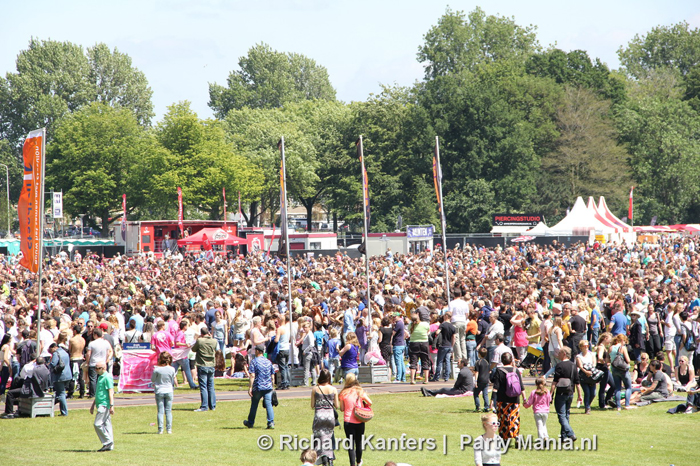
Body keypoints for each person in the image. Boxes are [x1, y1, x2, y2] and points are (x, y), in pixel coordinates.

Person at [2, 355, 51, 419]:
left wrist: (31, 362)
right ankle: (18, 410)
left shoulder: (33, 369)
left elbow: (23, 373)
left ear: (36, 362)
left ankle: (9, 413)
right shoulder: (46, 370)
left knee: (10, 393)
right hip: (41, 389)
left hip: (31, 390)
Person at [338, 373, 372, 466]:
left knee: (350, 445)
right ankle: (359, 461)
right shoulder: (359, 391)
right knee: (359, 443)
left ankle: (352, 464)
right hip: (359, 420)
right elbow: (370, 402)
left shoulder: (343, 393)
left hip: (348, 421)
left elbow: (341, 408)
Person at [491, 352, 523, 439]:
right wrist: (524, 398)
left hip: (502, 399)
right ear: (511, 360)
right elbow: (521, 386)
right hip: (515, 399)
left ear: (502, 360)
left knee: (503, 419)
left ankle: (504, 437)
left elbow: (495, 387)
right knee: (514, 418)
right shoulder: (515, 370)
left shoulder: (499, 370)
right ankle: (516, 435)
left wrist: (492, 401)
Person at [550, 347, 578, 441]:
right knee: (566, 414)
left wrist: (550, 394)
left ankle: (570, 433)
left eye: (560, 352)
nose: (558, 354)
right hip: (570, 392)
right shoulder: (573, 365)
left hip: (561, 393)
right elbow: (577, 382)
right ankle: (564, 437)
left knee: (561, 415)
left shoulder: (559, 365)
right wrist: (580, 395)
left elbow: (555, 381)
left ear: (564, 354)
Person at [244, 344, 275, 429]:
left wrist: (250, 387)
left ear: (257, 351)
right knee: (269, 404)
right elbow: (272, 376)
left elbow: (252, 375)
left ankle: (250, 422)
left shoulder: (254, 361)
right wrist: (272, 386)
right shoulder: (268, 362)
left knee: (254, 405)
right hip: (268, 387)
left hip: (258, 386)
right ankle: (271, 422)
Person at [311, 369, 338, 465]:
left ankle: (323, 458)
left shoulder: (315, 389)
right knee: (328, 438)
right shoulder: (333, 389)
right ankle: (330, 458)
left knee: (319, 439)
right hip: (330, 416)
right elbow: (337, 405)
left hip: (319, 416)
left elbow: (312, 405)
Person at [91, 362, 115, 451]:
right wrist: (92, 405)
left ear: (103, 368)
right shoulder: (100, 377)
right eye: (95, 368)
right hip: (99, 403)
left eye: (98, 368)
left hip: (104, 405)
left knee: (97, 424)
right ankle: (110, 446)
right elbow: (98, 392)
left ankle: (108, 442)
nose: (96, 370)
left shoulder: (107, 377)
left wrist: (111, 405)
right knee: (107, 425)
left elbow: (111, 392)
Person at [192, 327, 217, 412]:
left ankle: (204, 406)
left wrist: (197, 338)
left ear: (201, 333)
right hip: (211, 365)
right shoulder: (214, 341)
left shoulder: (200, 341)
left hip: (202, 364)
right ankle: (212, 405)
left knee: (203, 386)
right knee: (211, 386)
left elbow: (193, 349)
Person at [151, 351, 176, 434]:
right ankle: (169, 429)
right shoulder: (172, 369)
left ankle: (160, 429)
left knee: (160, 411)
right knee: (168, 411)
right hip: (169, 390)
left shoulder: (157, 369)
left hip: (159, 390)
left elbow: (153, 380)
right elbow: (172, 378)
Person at [609, 334, 634, 411]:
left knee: (618, 388)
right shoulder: (622, 348)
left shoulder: (610, 348)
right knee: (628, 387)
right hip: (623, 369)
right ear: (622, 340)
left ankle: (618, 406)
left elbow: (608, 359)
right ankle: (627, 405)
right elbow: (628, 360)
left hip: (614, 369)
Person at [86, 328, 113, 398]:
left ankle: (93, 394)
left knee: (93, 379)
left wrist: (87, 362)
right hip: (103, 363)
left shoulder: (91, 343)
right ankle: (101, 392)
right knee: (102, 378)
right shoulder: (106, 342)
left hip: (93, 363)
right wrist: (107, 359)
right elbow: (109, 352)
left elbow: (88, 354)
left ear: (95, 335)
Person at [48, 342, 71, 416]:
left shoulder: (56, 353)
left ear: (54, 347)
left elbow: (53, 364)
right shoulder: (65, 352)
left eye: (50, 350)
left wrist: (47, 365)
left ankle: (64, 412)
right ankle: (50, 408)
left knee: (61, 394)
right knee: (60, 393)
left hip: (60, 376)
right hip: (68, 375)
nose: (51, 352)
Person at [408, 310, 430, 385]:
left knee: (413, 361)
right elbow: (428, 331)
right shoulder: (425, 324)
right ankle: (426, 379)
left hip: (413, 343)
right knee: (425, 360)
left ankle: (412, 379)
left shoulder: (410, 325)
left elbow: (409, 332)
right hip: (424, 343)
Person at [575, 339, 597, 414]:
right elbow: (580, 366)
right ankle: (587, 408)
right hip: (583, 376)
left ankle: (588, 404)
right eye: (584, 346)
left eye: (587, 345)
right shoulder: (579, 356)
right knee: (587, 392)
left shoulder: (592, 354)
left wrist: (591, 371)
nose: (586, 347)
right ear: (581, 347)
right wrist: (586, 372)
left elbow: (594, 363)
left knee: (593, 393)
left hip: (592, 375)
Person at [473, 347, 491, 413]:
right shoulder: (487, 362)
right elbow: (489, 371)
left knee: (476, 393)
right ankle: (487, 407)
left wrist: (475, 381)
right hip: (486, 380)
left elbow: (476, 372)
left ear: (479, 354)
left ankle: (478, 407)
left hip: (480, 380)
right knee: (485, 394)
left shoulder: (478, 362)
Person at [391, 313, 407, 383]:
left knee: (398, 362)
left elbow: (393, 333)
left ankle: (398, 378)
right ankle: (403, 378)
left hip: (397, 344)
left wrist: (392, 327)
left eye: (395, 317)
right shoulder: (401, 323)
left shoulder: (398, 323)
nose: (394, 318)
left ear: (399, 316)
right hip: (401, 344)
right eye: (393, 317)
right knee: (401, 362)